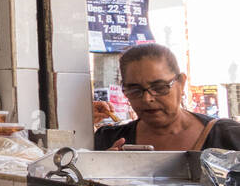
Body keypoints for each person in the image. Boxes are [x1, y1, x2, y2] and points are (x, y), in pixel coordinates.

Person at [95, 44, 240, 150]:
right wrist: (102, 168)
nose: (147, 99)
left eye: (159, 87)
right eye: (134, 90)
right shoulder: (108, 140)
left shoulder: (229, 137)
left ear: (181, 83)